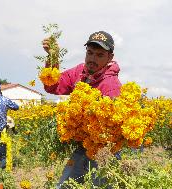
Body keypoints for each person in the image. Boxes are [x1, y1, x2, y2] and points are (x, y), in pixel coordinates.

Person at [42, 31, 122, 188]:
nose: (92, 59)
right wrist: (53, 59)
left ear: (109, 58)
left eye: (99, 55)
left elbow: (115, 128)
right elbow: (52, 86)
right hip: (83, 146)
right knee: (64, 185)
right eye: (90, 53)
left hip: (105, 150)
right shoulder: (79, 72)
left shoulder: (111, 86)